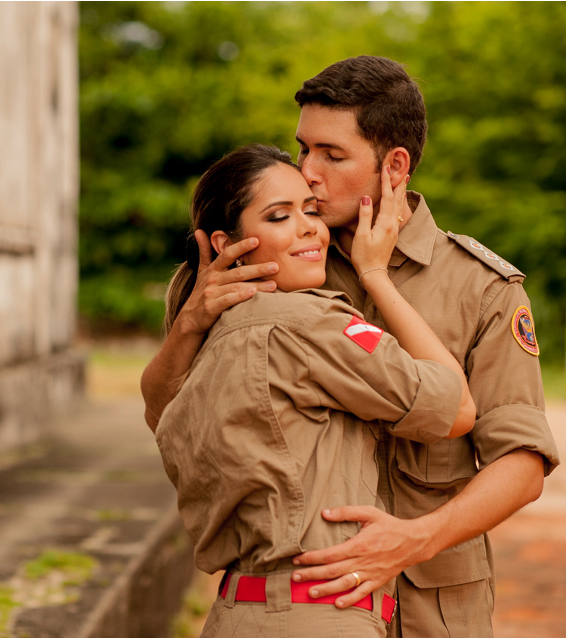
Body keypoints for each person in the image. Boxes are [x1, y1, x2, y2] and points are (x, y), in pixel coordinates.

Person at [141, 56, 560, 637]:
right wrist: (189, 321)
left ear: (394, 166)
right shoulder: (256, 262)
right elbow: (169, 416)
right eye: (302, 149)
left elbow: (523, 463)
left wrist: (417, 538)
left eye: (332, 155)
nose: (307, 171)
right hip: (300, 605)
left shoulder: (480, 289)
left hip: (432, 610)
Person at [156, 143, 475, 637]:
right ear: (225, 244)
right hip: (318, 613)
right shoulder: (307, 321)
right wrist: (374, 272)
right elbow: (456, 409)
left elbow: (157, 408)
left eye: (310, 210)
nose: (310, 227)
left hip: (237, 615)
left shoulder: (206, 338)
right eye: (280, 216)